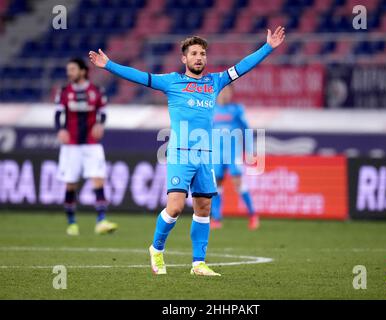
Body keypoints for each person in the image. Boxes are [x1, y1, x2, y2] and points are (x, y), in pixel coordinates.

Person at [89, 26, 285, 276]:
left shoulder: (215, 81)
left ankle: (198, 264)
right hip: (181, 154)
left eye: (202, 53)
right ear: (184, 58)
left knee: (204, 207)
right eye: (193, 53)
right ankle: (156, 249)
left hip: (205, 156)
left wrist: (268, 47)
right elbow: (140, 76)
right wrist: (109, 65)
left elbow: (243, 66)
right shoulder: (172, 82)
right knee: (176, 207)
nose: (199, 57)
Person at [55, 58, 118, 236]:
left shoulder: (96, 91)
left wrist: (100, 124)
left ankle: (101, 221)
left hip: (92, 144)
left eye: (73, 69)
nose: (69, 73)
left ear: (83, 71)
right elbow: (58, 113)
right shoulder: (64, 91)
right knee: (71, 184)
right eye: (68, 69)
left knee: (98, 180)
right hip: (71, 146)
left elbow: (103, 112)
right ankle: (72, 223)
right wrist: (60, 130)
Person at [211, 84, 258, 230]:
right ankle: (217, 218)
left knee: (238, 183)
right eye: (222, 91)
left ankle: (253, 215)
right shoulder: (210, 110)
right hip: (216, 154)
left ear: (231, 94)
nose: (224, 95)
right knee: (216, 186)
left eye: (227, 92)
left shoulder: (237, 109)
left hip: (233, 153)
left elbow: (247, 129)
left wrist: (250, 150)